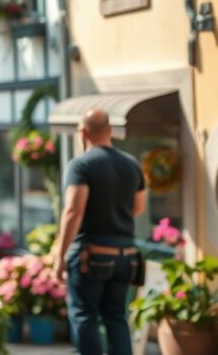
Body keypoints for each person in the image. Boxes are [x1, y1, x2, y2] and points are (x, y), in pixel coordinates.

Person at [51, 109, 147, 355]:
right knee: (116, 317)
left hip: (91, 257)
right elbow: (138, 207)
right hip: (126, 256)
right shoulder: (132, 165)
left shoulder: (81, 165)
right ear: (110, 130)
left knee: (85, 316)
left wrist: (60, 256)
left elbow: (73, 211)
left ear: (83, 132)